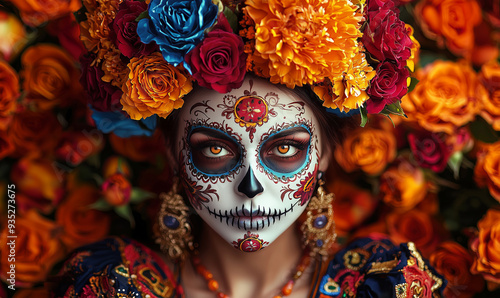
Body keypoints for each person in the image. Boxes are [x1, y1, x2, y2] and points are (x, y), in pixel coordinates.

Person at [51, 0, 446, 297]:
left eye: (286, 149)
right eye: (216, 151)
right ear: (173, 153)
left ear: (324, 153)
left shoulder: (382, 286)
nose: (251, 187)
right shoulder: (112, 286)